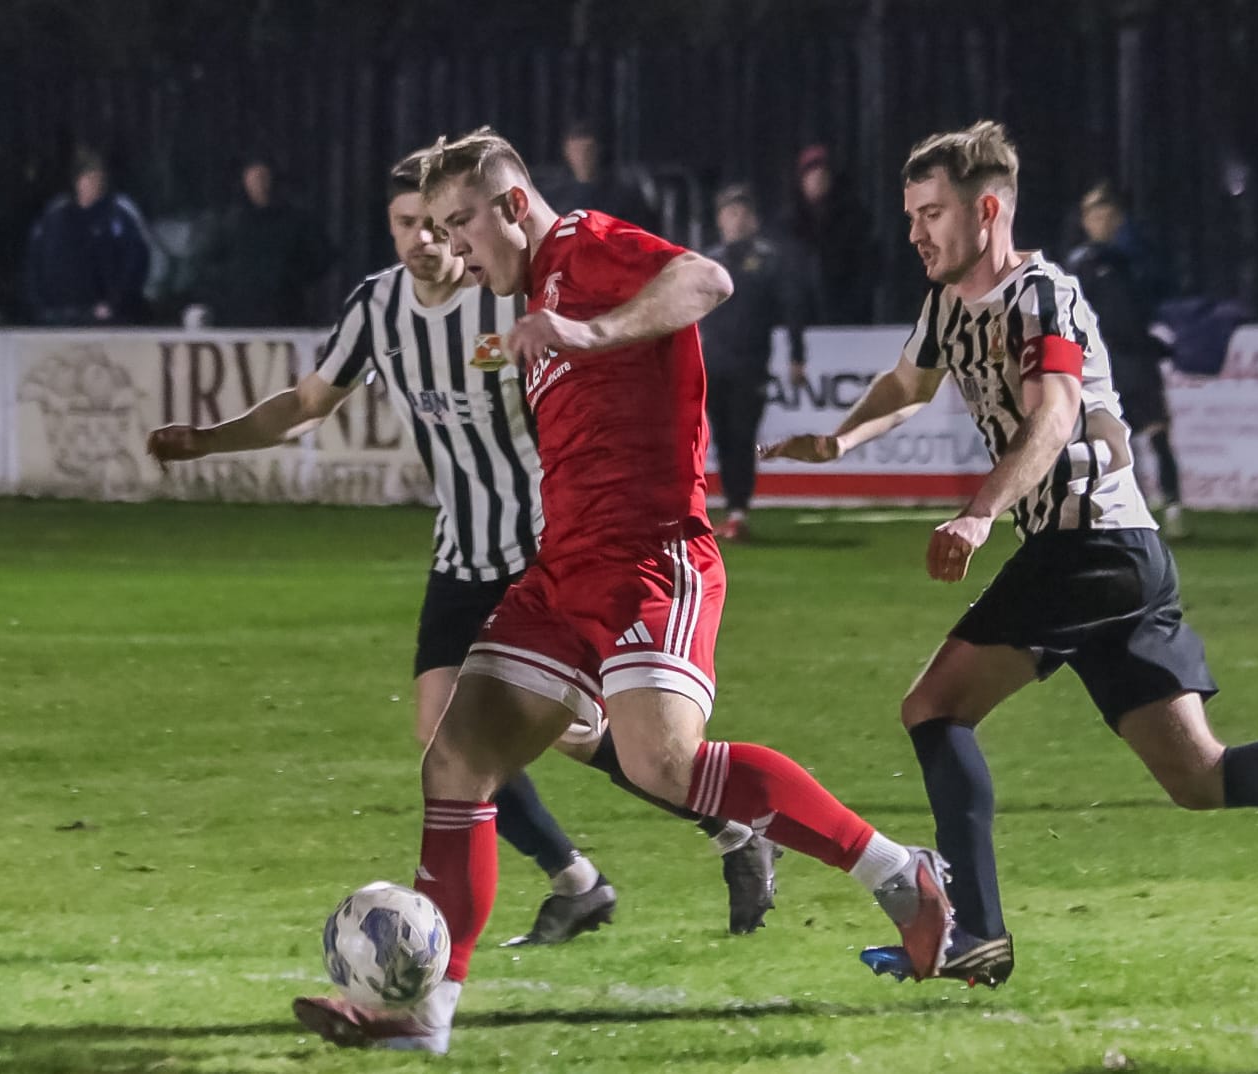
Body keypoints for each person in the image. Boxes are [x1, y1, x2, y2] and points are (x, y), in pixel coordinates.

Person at [293, 127, 953, 1055]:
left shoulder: (584, 246)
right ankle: (424, 1015)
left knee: (663, 766)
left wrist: (590, 330)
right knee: (456, 761)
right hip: (562, 568)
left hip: (651, 556)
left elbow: (707, 281)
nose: (451, 246)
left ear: (512, 206)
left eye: (460, 223)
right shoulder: (529, 301)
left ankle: (897, 874)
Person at [765, 120, 1258, 990]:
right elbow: (909, 383)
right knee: (1200, 776)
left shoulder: (1042, 295)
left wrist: (980, 514)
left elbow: (1055, 411)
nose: (915, 234)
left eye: (931, 214)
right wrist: (841, 439)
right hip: (1120, 557)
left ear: (987, 211)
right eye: (911, 216)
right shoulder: (948, 304)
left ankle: (976, 931)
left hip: (1089, 543)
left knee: (933, 707)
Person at [147, 149, 779, 948]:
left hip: (545, 544)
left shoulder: (509, 295)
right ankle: (579, 879)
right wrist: (211, 440)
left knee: (571, 732)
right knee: (443, 731)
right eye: (404, 225)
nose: (422, 240)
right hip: (462, 552)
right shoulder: (378, 307)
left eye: (436, 225)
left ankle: (723, 826)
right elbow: (306, 403)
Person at [1065, 182, 1185, 537]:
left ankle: (1174, 510)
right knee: (1116, 443)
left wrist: (1154, 341)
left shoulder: (1135, 260)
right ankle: (1132, 511)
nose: (1101, 221)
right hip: (1105, 366)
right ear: (1085, 221)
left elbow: (1152, 300)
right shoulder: (1080, 265)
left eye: (1108, 215)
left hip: (1139, 362)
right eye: (1094, 215)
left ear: (1118, 219)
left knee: (1158, 433)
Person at [700, 183, 807, 542]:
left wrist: (796, 355)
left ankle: (738, 512)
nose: (736, 219)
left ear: (754, 220)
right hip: (713, 365)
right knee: (722, 438)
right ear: (720, 219)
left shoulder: (769, 262)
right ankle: (732, 508)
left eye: (743, 212)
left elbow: (792, 307)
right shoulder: (708, 261)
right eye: (730, 212)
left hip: (750, 365)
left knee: (743, 436)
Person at [194, 157, 335, 327]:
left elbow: (322, 257)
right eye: (254, 179)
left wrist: (289, 276)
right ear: (244, 181)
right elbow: (206, 262)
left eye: (264, 178)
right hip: (236, 314)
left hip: (285, 312)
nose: (259, 185)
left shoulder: (295, 221)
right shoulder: (228, 222)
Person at [23, 152, 151, 326]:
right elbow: (34, 262)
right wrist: (40, 307)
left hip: (108, 320)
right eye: (89, 178)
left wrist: (115, 305)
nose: (94, 184)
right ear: (77, 181)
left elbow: (136, 262)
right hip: (58, 318)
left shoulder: (120, 212)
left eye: (99, 179)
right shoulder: (54, 215)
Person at [781, 144, 876, 325]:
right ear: (801, 180)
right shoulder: (788, 226)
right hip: (800, 323)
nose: (817, 178)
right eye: (811, 174)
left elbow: (866, 271)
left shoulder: (855, 221)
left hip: (848, 321)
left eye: (823, 173)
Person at [540, 118, 658, 232]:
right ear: (566, 152)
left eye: (588, 150)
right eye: (576, 150)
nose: (582, 156)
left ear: (598, 150)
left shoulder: (624, 196)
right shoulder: (552, 198)